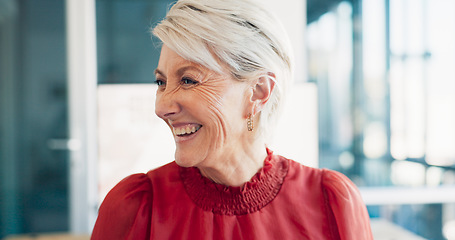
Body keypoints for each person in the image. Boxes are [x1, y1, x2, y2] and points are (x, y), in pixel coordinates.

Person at [91, 0, 374, 239]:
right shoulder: (137, 207)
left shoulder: (331, 204)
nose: (162, 105)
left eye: (188, 80)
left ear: (259, 91)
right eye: (161, 82)